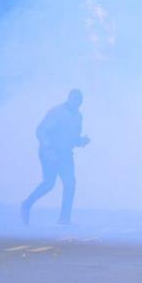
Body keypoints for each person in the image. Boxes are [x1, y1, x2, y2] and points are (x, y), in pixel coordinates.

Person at [22, 89, 90, 225]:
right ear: (69, 98)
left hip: (65, 154)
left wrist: (81, 141)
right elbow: (41, 130)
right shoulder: (57, 112)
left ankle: (64, 218)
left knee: (70, 184)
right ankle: (26, 204)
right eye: (75, 99)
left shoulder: (78, 116)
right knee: (48, 183)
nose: (77, 103)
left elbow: (72, 138)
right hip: (50, 153)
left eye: (79, 101)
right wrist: (48, 149)